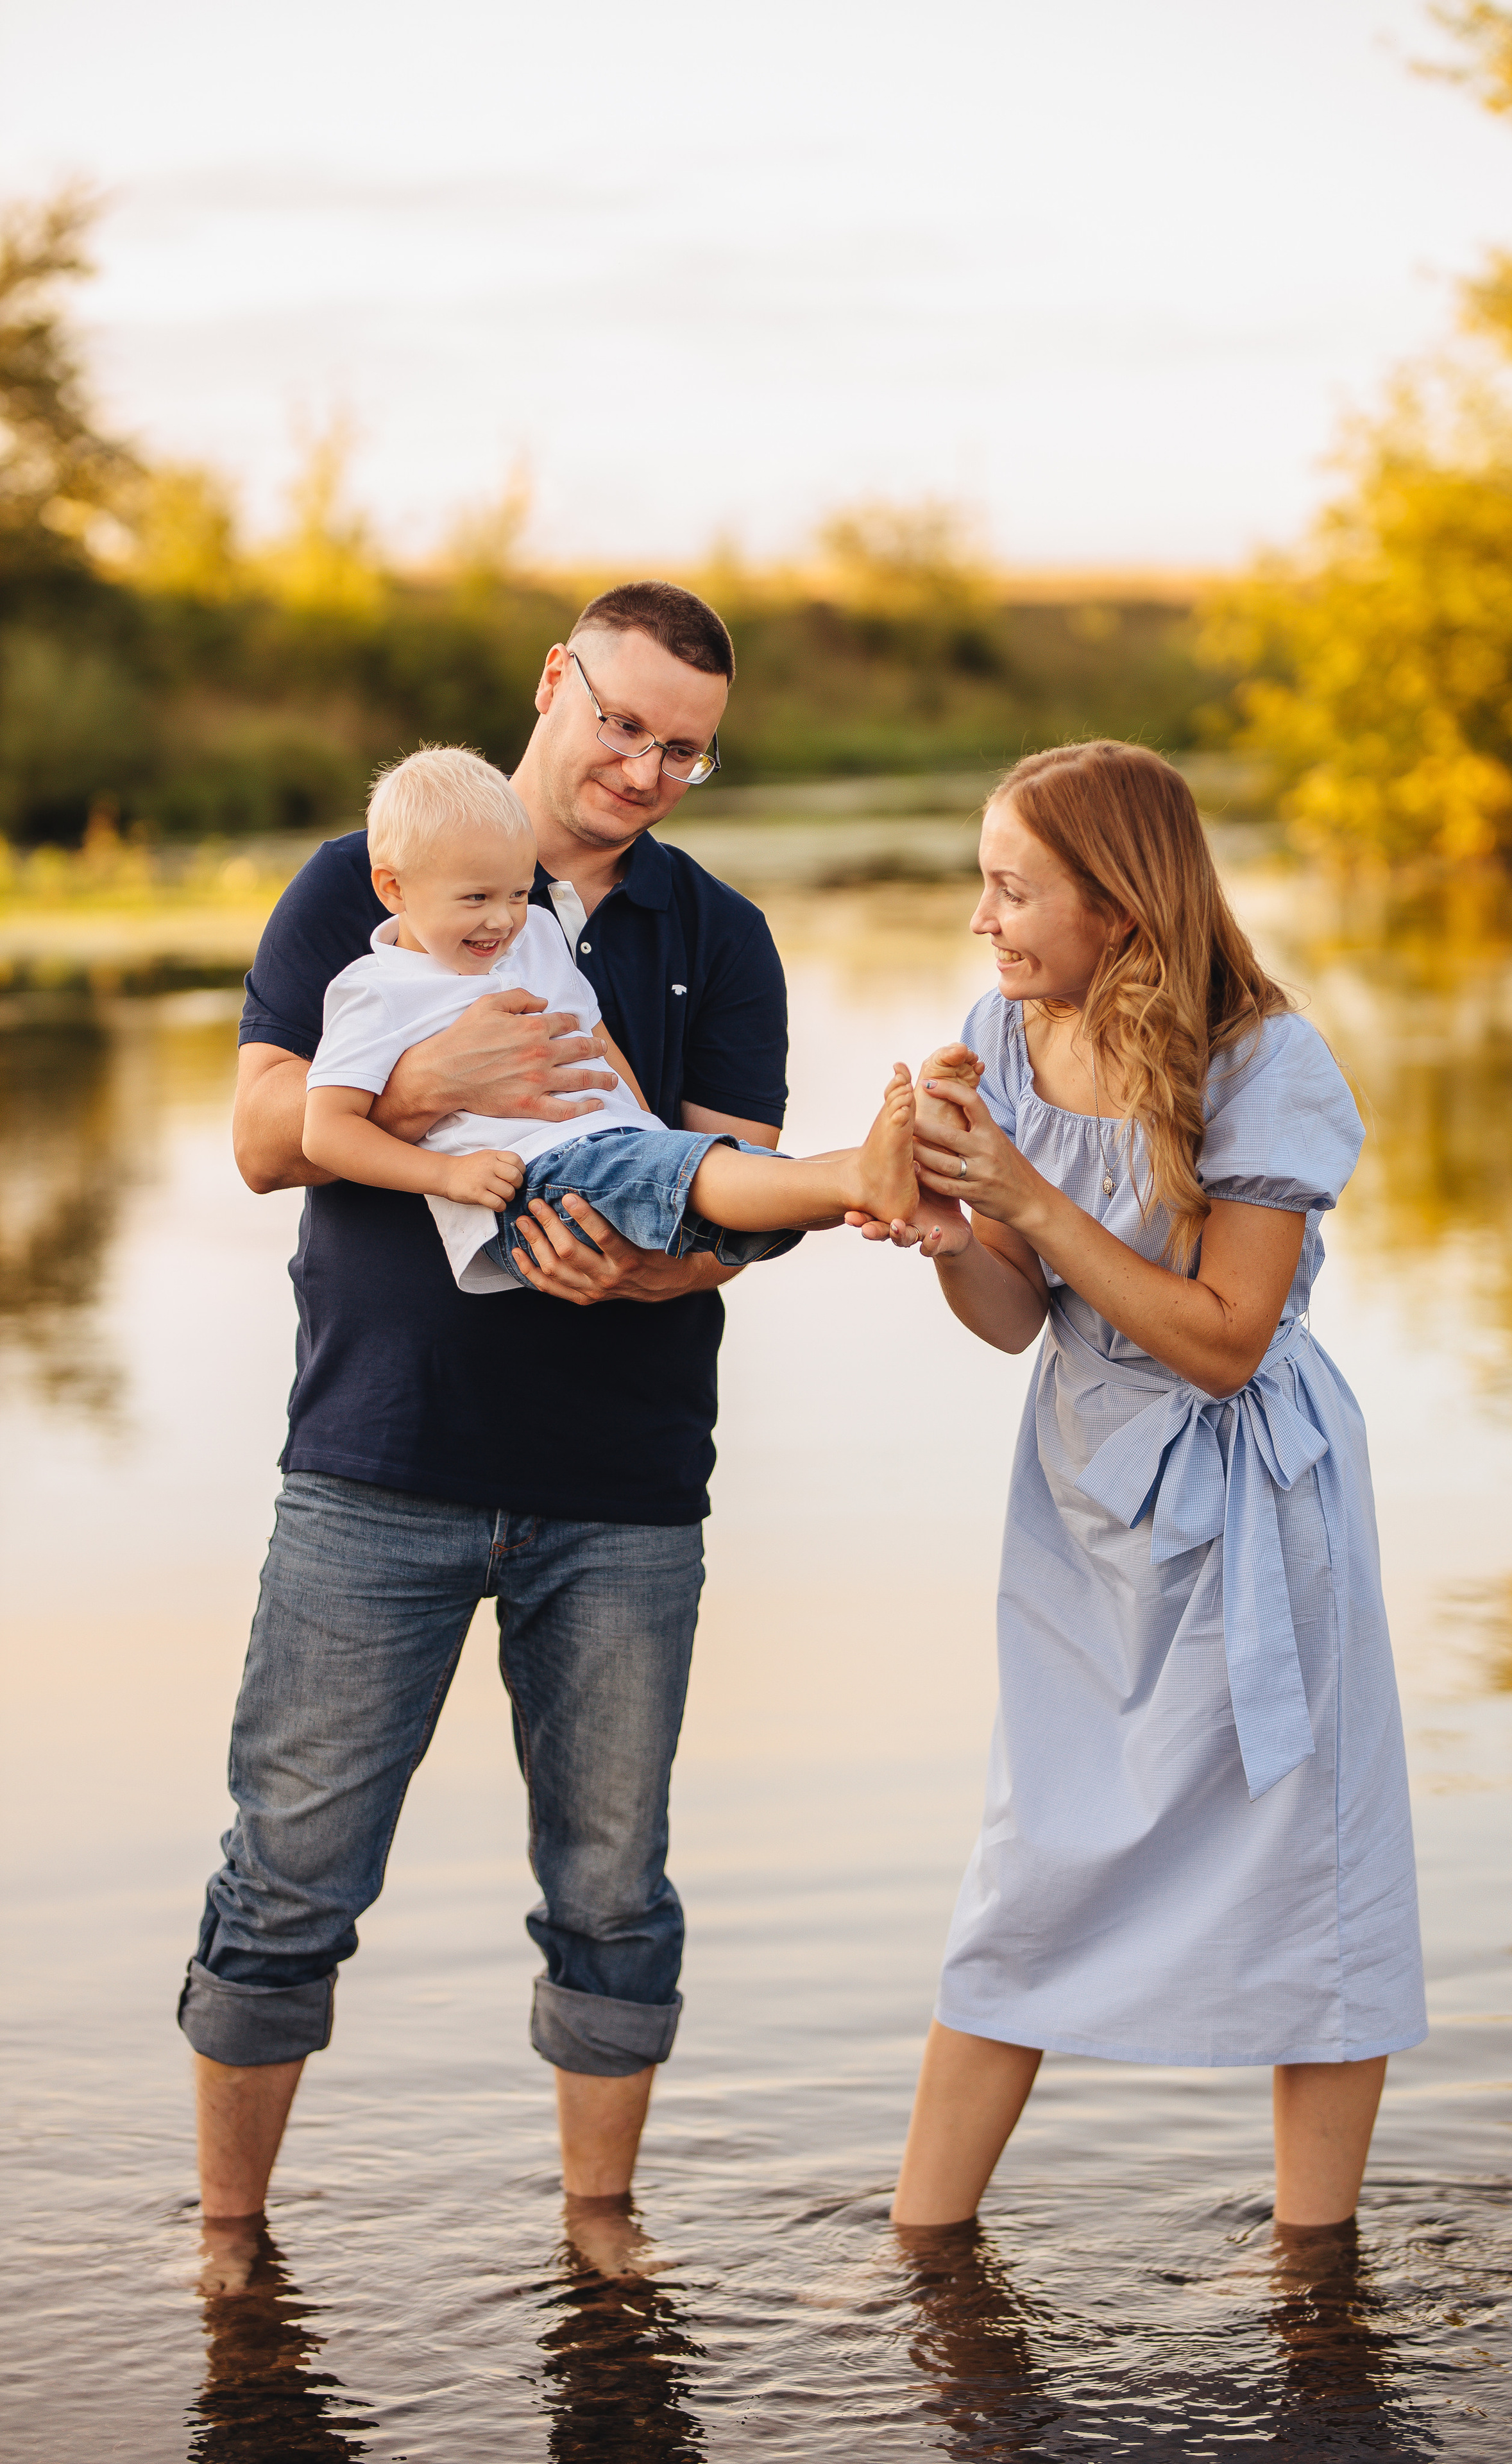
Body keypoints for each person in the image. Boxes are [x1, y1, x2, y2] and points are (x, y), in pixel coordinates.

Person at [182, 580, 797, 2229]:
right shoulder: (359, 886)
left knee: (612, 1885)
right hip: (375, 1461)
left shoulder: (716, 934)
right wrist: (418, 1088)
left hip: (621, 1485)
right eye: (624, 723)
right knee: (289, 1872)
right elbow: (257, 1140)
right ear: (554, 681)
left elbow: (726, 1203)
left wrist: (652, 1271)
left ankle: (602, 2240)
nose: (649, 767)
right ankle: (229, 2246)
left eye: (687, 750)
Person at [867, 740, 1425, 2234]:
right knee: (1027, 1857)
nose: (980, 920)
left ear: (1115, 903)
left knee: (1311, 1869)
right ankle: (919, 2252)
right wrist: (949, 1234)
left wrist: (1026, 1201)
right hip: (1077, 1502)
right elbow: (1014, 1322)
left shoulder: (1264, 1059)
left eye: (1009, 887)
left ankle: (1312, 2279)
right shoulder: (998, 1034)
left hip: (1254, 1504)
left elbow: (1227, 1342)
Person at [302, 744, 926, 1280]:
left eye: (519, 892)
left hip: (613, 1146)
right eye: (475, 898)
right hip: (530, 1185)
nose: (502, 919)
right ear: (393, 890)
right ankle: (856, 1177)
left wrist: (651, 1128)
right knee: (678, 1172)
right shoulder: (377, 991)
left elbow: (594, 1038)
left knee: (723, 1173)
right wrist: (445, 1175)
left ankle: (892, 1184)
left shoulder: (537, 934)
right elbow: (325, 1132)